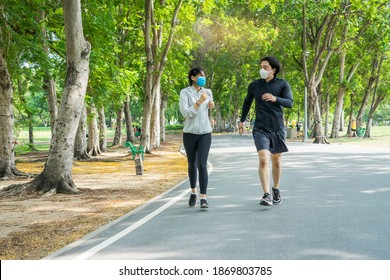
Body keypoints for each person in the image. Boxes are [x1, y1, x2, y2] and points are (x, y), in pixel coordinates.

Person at [239, 56, 293, 206]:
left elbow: (290, 103)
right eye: (261, 66)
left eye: (265, 67)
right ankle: (266, 194)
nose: (262, 69)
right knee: (263, 160)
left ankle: (275, 189)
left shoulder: (282, 84)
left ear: (273, 70)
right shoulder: (255, 85)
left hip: (277, 128)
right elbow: (247, 102)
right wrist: (242, 120)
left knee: (276, 161)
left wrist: (275, 99)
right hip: (260, 128)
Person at [179, 67, 215, 208]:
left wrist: (211, 105)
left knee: (202, 164)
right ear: (193, 78)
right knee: (192, 164)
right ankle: (193, 191)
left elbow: (210, 107)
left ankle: (203, 198)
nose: (203, 78)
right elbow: (186, 113)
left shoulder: (208, 92)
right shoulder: (185, 92)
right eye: (200, 76)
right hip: (190, 133)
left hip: (205, 132)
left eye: (204, 76)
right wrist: (199, 102)